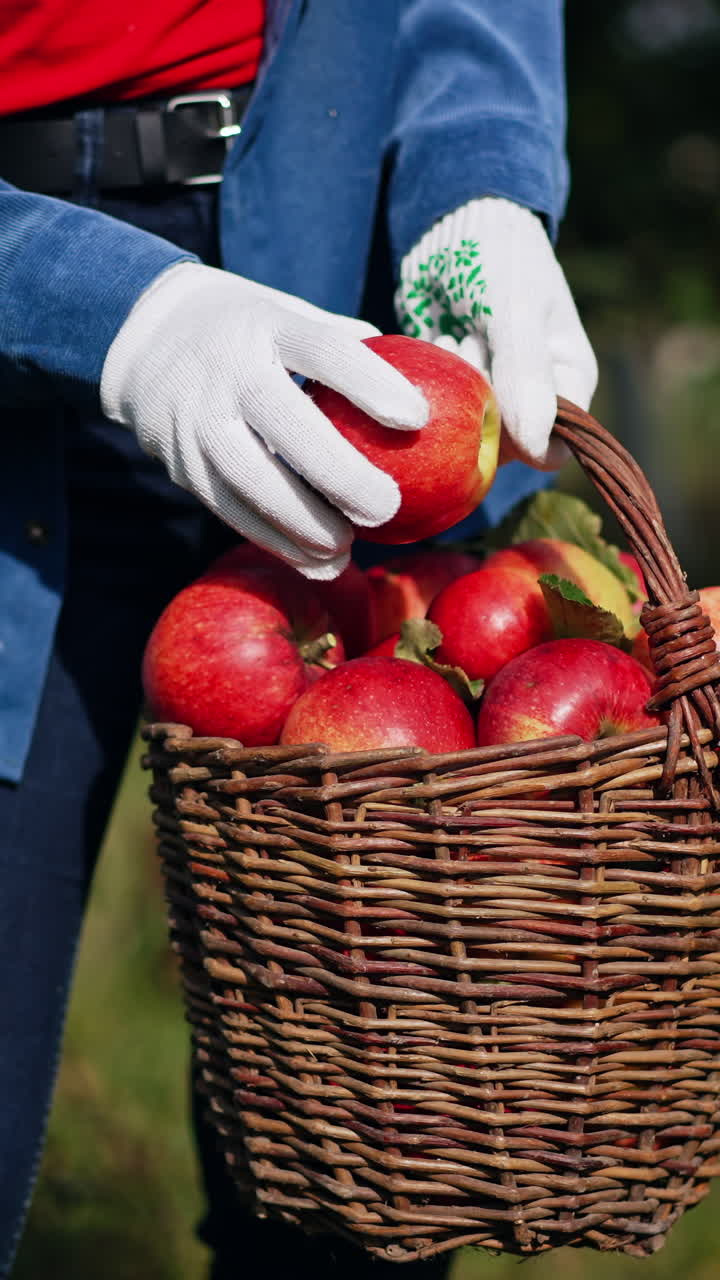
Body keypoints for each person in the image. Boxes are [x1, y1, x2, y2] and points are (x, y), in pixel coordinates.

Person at [0, 2, 597, 1276]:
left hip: (351, 336)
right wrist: (105, 303)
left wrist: (474, 173)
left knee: (354, 1196)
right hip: (24, 287)